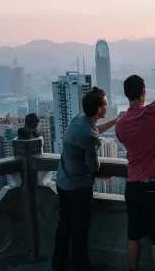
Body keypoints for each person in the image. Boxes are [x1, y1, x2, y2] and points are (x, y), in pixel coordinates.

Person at [115, 55, 155, 271]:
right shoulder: (151, 113)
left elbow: (125, 142)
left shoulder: (120, 124)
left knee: (133, 236)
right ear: (143, 93)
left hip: (132, 187)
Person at [52, 87, 119, 271]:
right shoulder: (89, 136)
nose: (107, 106)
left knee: (64, 226)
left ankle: (59, 264)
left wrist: (114, 122)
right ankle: (81, 265)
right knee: (80, 230)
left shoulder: (78, 120)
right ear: (99, 109)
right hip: (78, 188)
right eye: (105, 103)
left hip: (62, 182)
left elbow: (94, 130)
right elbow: (94, 166)